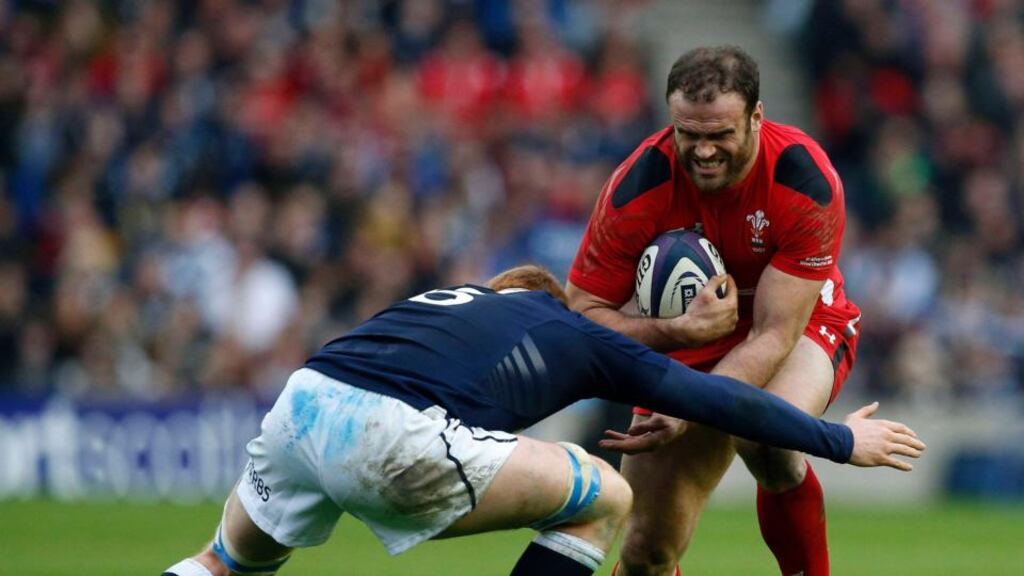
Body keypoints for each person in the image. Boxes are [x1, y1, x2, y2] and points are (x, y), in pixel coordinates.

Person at [162, 265, 922, 576]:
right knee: (606, 496)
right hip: (388, 434)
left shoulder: (460, 298)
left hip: (304, 402)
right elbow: (724, 401)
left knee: (222, 565)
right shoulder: (577, 335)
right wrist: (837, 440)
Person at [567, 46, 863, 576]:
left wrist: (689, 405)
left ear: (756, 117)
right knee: (646, 553)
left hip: (795, 325)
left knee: (768, 434)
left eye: (720, 135)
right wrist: (672, 330)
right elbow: (583, 313)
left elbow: (774, 335)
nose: (703, 151)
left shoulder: (803, 180)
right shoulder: (637, 188)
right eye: (689, 134)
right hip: (685, 340)